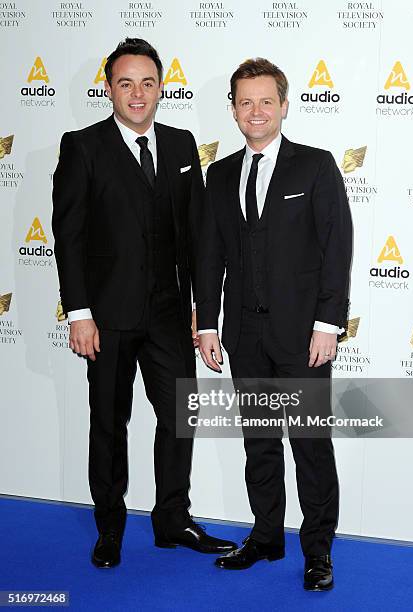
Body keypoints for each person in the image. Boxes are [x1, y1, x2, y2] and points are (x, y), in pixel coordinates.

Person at [52, 38, 236, 569]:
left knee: (179, 417)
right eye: (125, 83)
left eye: (148, 83)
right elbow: (69, 237)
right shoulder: (82, 146)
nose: (137, 94)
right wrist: (80, 313)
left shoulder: (181, 146)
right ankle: (109, 528)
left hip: (170, 315)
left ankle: (172, 520)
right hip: (106, 318)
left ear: (161, 88)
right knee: (108, 423)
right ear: (109, 88)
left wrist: (205, 316)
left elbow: (201, 238)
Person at [197, 58, 352, 590]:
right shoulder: (218, 174)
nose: (256, 111)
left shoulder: (315, 166)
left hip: (302, 339)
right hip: (245, 337)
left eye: (267, 101)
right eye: (245, 102)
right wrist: (209, 325)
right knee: (259, 444)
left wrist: (328, 323)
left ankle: (318, 551)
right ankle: (266, 537)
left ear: (285, 106)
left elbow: (337, 251)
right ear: (234, 110)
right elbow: (210, 256)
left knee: (310, 444)